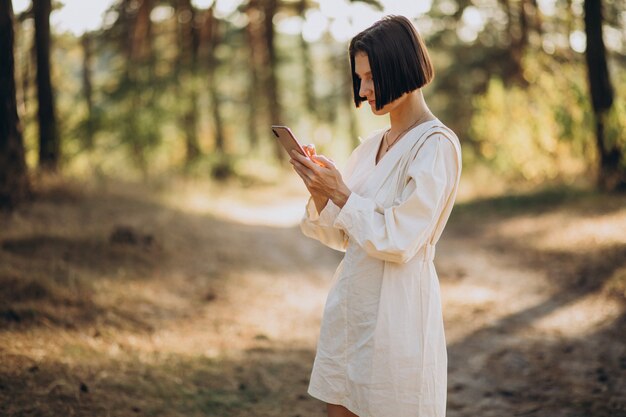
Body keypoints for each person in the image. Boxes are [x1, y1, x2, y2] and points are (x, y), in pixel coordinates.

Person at [290, 15, 462, 417]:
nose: (364, 90)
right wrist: (322, 193)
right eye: (359, 78)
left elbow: (400, 240)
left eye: (372, 77)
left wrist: (342, 194)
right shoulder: (370, 146)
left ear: (402, 68)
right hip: (353, 307)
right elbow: (342, 235)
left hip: (398, 316)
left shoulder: (435, 146)